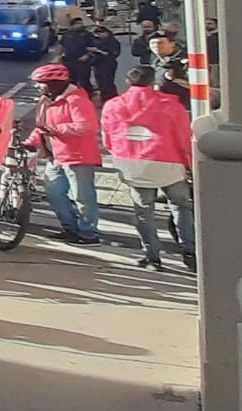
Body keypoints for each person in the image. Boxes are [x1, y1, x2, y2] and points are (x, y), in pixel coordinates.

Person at [102, 67, 197, 271]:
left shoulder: (113, 105)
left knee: (144, 212)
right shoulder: (170, 105)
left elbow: (108, 138)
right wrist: (189, 164)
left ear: (128, 82)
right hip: (167, 162)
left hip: (131, 162)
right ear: (153, 82)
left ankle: (152, 257)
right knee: (180, 206)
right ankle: (190, 251)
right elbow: (183, 139)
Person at [29, 63, 102, 245]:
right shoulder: (46, 101)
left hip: (78, 156)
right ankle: (69, 227)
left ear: (53, 83)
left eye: (40, 83)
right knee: (54, 192)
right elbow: (41, 127)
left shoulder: (77, 100)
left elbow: (87, 126)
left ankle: (88, 233)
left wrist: (55, 129)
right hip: (56, 156)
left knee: (82, 196)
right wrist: (30, 142)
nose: (37, 87)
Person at [89, 26, 123, 105]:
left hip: (108, 64)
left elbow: (113, 53)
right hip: (97, 64)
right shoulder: (97, 41)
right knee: (100, 83)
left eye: (101, 33)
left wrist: (99, 51)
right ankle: (104, 99)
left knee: (108, 82)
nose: (100, 35)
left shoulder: (112, 41)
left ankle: (112, 99)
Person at [60, 18, 94, 93]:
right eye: (78, 23)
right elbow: (62, 46)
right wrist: (59, 56)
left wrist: (87, 55)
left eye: (81, 23)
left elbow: (93, 47)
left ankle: (88, 96)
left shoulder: (87, 35)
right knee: (70, 81)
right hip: (69, 61)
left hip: (82, 62)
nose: (80, 25)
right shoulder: (66, 35)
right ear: (72, 25)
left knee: (84, 81)